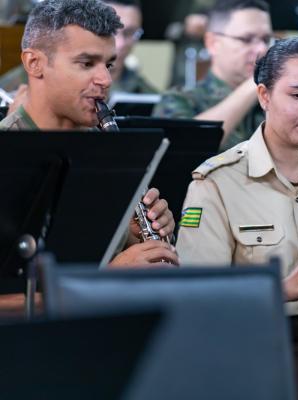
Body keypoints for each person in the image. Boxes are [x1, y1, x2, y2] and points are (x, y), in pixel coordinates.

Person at [176, 37, 298, 400]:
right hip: (257, 342)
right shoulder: (217, 182)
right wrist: (285, 288)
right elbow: (197, 301)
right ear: (264, 96)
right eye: (297, 96)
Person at [0, 0, 178, 267]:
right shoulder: (7, 152)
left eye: (108, 65)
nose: (105, 80)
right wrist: (107, 278)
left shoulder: (109, 152)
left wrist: (131, 238)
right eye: (86, 63)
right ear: (34, 62)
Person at [153, 0, 272, 150]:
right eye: (246, 39)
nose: (261, 49)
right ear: (212, 43)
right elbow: (186, 148)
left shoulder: (273, 99)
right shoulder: (178, 100)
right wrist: (252, 85)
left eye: (266, 40)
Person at [0, 0, 157, 114]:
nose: (121, 43)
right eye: (87, 64)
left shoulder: (147, 92)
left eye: (130, 33)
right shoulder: (12, 84)